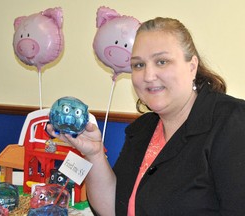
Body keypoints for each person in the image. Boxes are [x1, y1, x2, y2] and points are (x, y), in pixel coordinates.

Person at [46, 17, 245, 216]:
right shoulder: (142, 129)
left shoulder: (232, 123)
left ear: (192, 66)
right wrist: (94, 154)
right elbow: (115, 210)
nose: (148, 76)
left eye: (162, 61)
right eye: (139, 65)